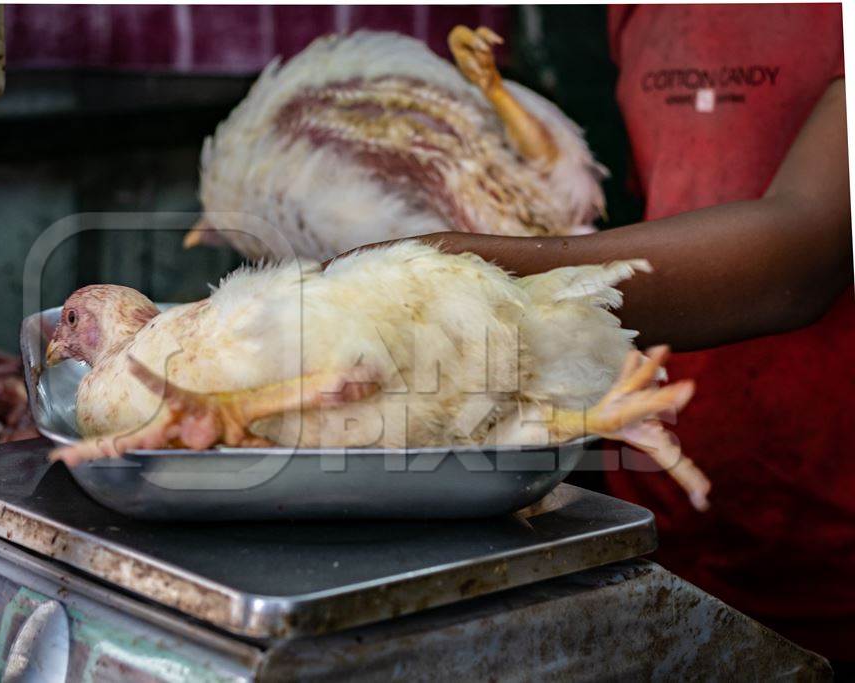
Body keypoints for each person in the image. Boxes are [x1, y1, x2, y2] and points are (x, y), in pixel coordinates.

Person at [352, 4, 853, 667]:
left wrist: (456, 265)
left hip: (833, 532)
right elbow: (661, 206)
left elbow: (806, 254)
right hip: (656, 508)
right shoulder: (634, 12)